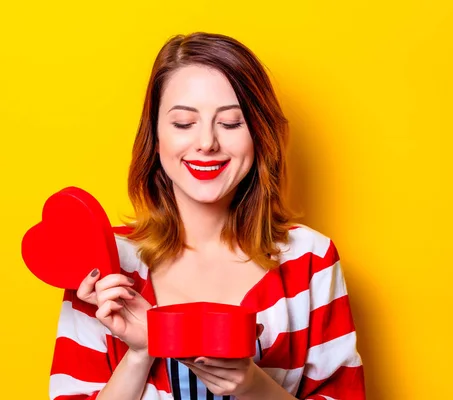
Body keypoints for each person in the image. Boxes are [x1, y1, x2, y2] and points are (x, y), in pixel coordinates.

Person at [48, 32, 365, 400]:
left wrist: (252, 385)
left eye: (231, 123)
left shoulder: (310, 260)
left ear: (259, 134)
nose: (206, 143)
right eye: (184, 123)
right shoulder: (103, 266)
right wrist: (140, 351)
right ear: (156, 135)